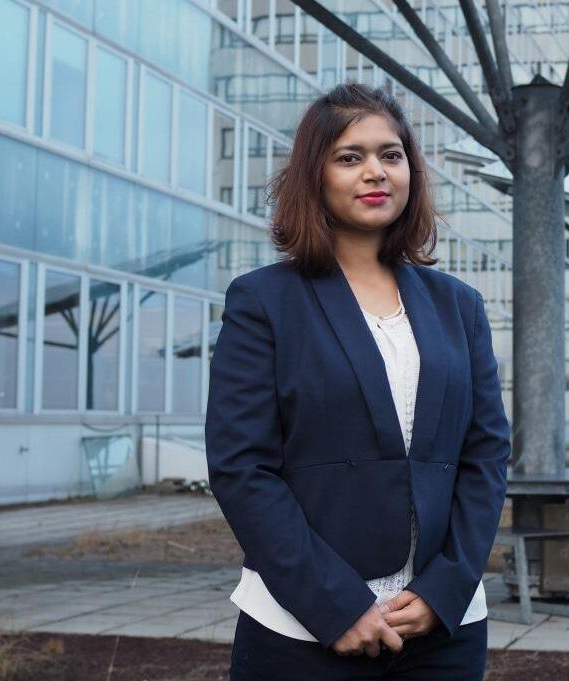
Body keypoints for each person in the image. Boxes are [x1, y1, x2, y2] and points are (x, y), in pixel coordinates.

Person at [205, 82, 511, 681]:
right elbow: (243, 467)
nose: (375, 171)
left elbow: (486, 455)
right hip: (300, 628)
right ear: (314, 175)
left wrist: (445, 588)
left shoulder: (460, 306)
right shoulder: (264, 302)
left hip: (442, 629)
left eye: (390, 155)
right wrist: (336, 606)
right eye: (350, 157)